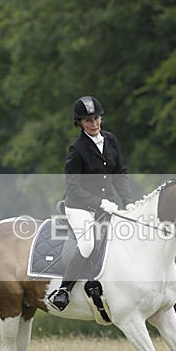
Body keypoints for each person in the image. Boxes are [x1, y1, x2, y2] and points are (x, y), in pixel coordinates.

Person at [48, 96, 135, 311]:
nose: (94, 124)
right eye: (88, 120)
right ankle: (64, 289)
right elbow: (74, 187)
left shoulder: (110, 140)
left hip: (108, 206)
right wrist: (100, 203)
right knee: (88, 244)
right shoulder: (76, 149)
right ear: (79, 123)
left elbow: (119, 173)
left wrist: (129, 201)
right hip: (79, 207)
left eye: (96, 118)